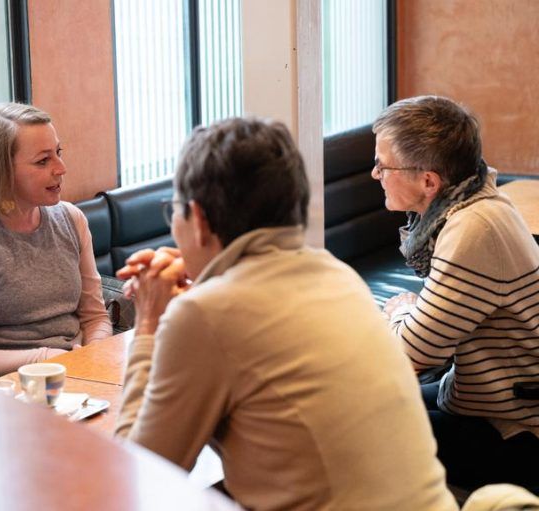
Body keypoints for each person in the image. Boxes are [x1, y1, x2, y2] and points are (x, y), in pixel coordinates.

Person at [114, 117, 457, 510]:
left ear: (200, 221)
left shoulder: (207, 314)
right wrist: (205, 281)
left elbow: (137, 474)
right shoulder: (336, 274)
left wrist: (148, 324)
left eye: (173, 212)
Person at [375, 95, 539, 489]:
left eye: (383, 165)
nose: (375, 173)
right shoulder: (480, 200)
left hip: (515, 429)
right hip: (479, 394)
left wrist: (400, 311)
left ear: (429, 181)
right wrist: (413, 313)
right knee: (368, 407)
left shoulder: (473, 229)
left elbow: (412, 354)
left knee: (359, 430)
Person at [0, 103, 111, 376]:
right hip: (11, 385)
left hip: (76, 368)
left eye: (58, 153)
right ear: (0, 170)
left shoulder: (71, 219)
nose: (61, 168)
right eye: (43, 161)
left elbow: (95, 316)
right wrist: (45, 358)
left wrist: (93, 353)